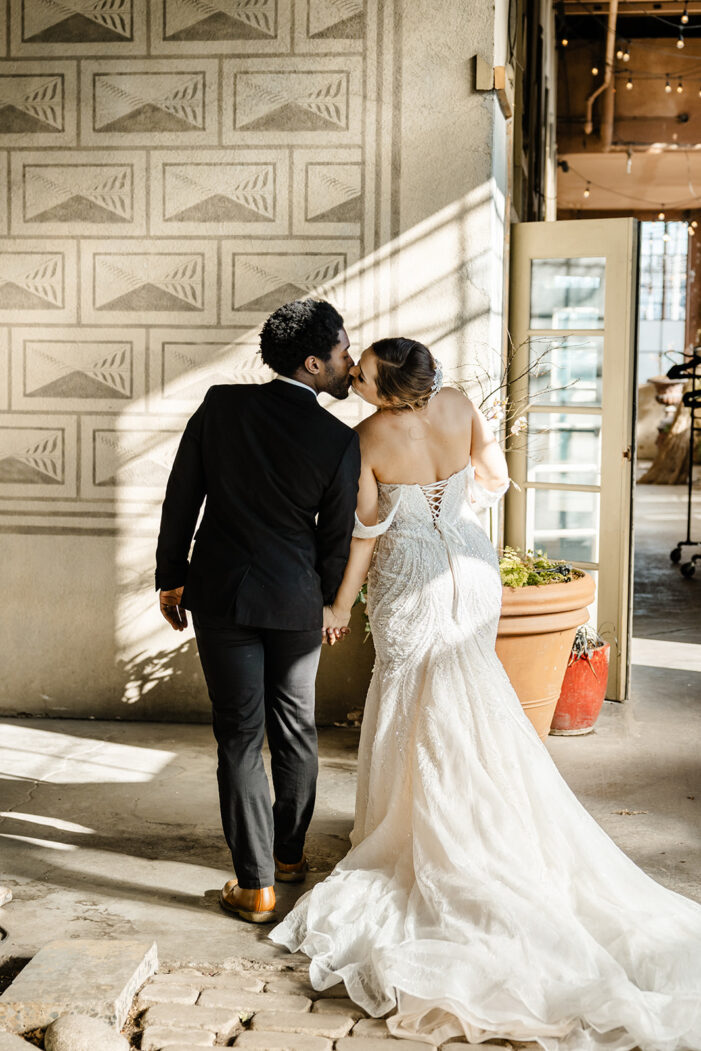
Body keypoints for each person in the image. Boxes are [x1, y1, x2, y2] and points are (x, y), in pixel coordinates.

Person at [271, 337, 701, 1051]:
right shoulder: (458, 404)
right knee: (470, 689)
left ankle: (424, 825)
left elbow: (366, 531)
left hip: (410, 577)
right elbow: (493, 477)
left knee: (409, 694)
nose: (357, 380)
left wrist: (341, 604)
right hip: (469, 567)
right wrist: (450, 513)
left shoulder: (366, 437)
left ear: (389, 391)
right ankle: (488, 808)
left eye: (366, 375)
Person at [155, 299, 360, 924]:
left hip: (221, 597)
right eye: (344, 352)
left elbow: (181, 497)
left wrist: (170, 579)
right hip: (296, 601)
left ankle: (255, 887)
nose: (350, 362)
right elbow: (336, 537)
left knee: (240, 736)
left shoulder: (221, 406)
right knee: (295, 729)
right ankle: (288, 857)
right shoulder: (338, 440)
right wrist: (329, 601)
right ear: (313, 364)